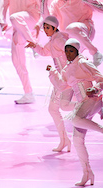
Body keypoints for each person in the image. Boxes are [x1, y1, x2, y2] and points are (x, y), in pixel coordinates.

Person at [47, 38, 103, 186]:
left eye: (71, 51)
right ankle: (87, 173)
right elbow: (62, 86)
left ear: (77, 51)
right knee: (78, 141)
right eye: (66, 51)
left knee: (75, 119)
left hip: (93, 99)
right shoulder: (67, 69)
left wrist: (96, 88)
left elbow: (101, 78)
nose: (68, 54)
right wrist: (53, 73)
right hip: (82, 103)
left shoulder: (83, 63)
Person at [26, 16, 76, 152]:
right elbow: (43, 51)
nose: (45, 30)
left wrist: (71, 73)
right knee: (53, 109)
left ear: (54, 27)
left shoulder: (59, 40)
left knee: (63, 106)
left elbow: (71, 53)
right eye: (44, 28)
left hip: (66, 79)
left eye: (48, 27)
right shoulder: (53, 40)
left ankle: (85, 106)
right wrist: (34, 45)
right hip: (60, 79)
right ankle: (64, 140)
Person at [0, 0, 41, 104]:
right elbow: (3, 7)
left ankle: (33, 43)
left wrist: (40, 24)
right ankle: (28, 93)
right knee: (16, 61)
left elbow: (44, 8)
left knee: (15, 17)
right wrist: (2, 21)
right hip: (17, 26)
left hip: (31, 19)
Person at [46, 0, 103, 66]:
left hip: (85, 30)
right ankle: (83, 63)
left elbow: (101, 8)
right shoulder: (55, 4)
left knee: (71, 29)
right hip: (70, 40)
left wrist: (91, 1)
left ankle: (95, 53)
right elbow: (51, 23)